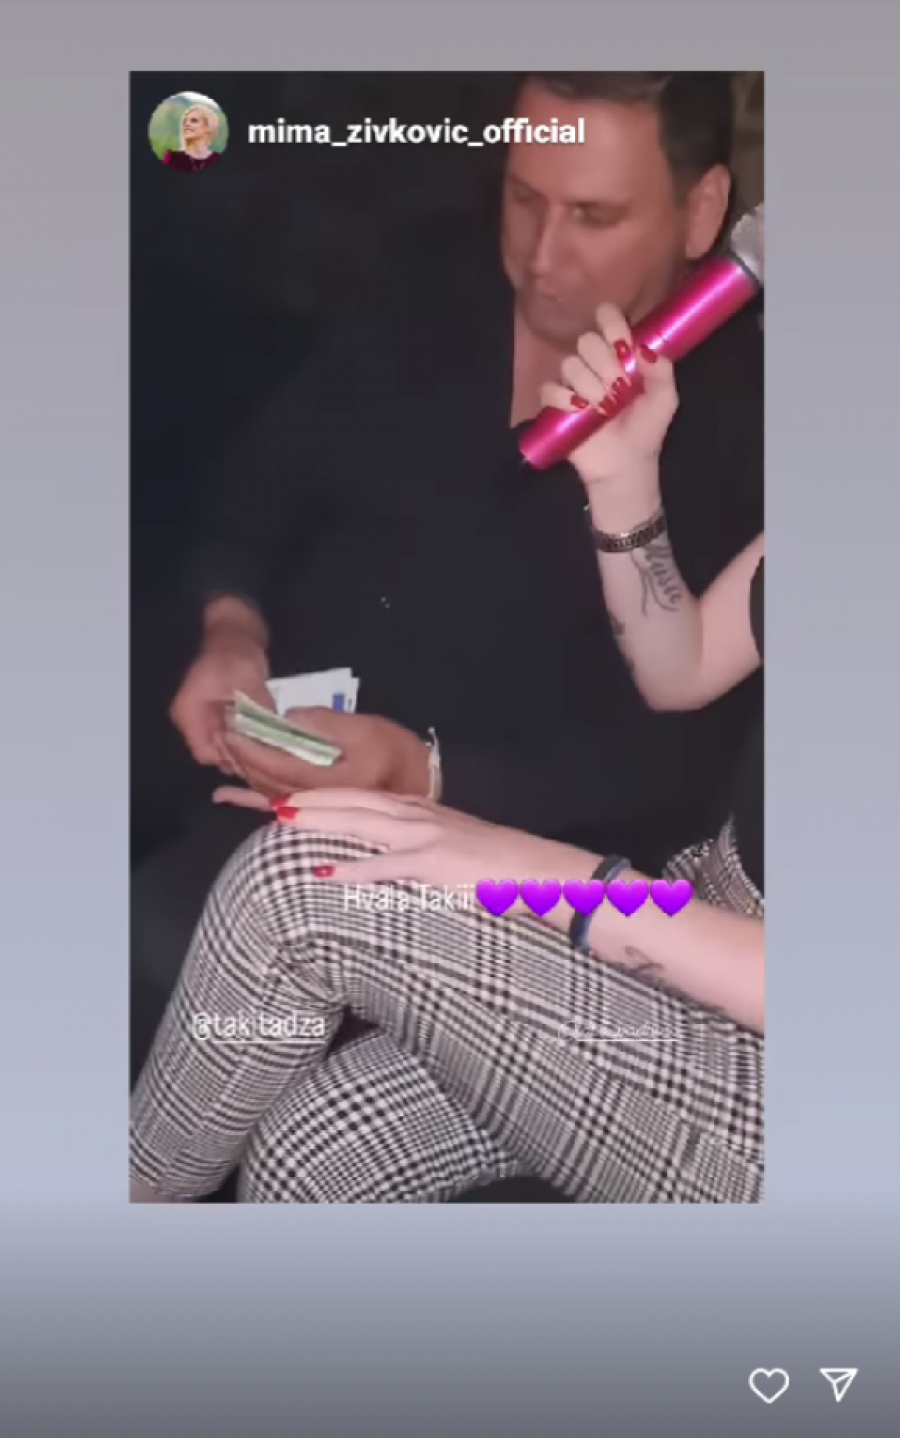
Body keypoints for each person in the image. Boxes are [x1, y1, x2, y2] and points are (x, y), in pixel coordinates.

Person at [131, 72, 763, 1080]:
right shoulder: (434, 283)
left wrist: (420, 773)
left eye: (595, 216)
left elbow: (675, 767)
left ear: (702, 211)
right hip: (250, 732)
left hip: (469, 867)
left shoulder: (748, 434)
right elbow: (260, 479)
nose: (541, 256)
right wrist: (230, 630)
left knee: (166, 938)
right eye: (524, 197)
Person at [130, 303, 764, 1204]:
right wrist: (624, 481)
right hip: (707, 911)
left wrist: (549, 874)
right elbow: (683, 667)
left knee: (297, 887)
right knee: (312, 1159)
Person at [162, 104, 222, 172]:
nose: (186, 124)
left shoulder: (217, 159)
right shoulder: (173, 159)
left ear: (207, 127)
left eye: (194, 120)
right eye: (184, 121)